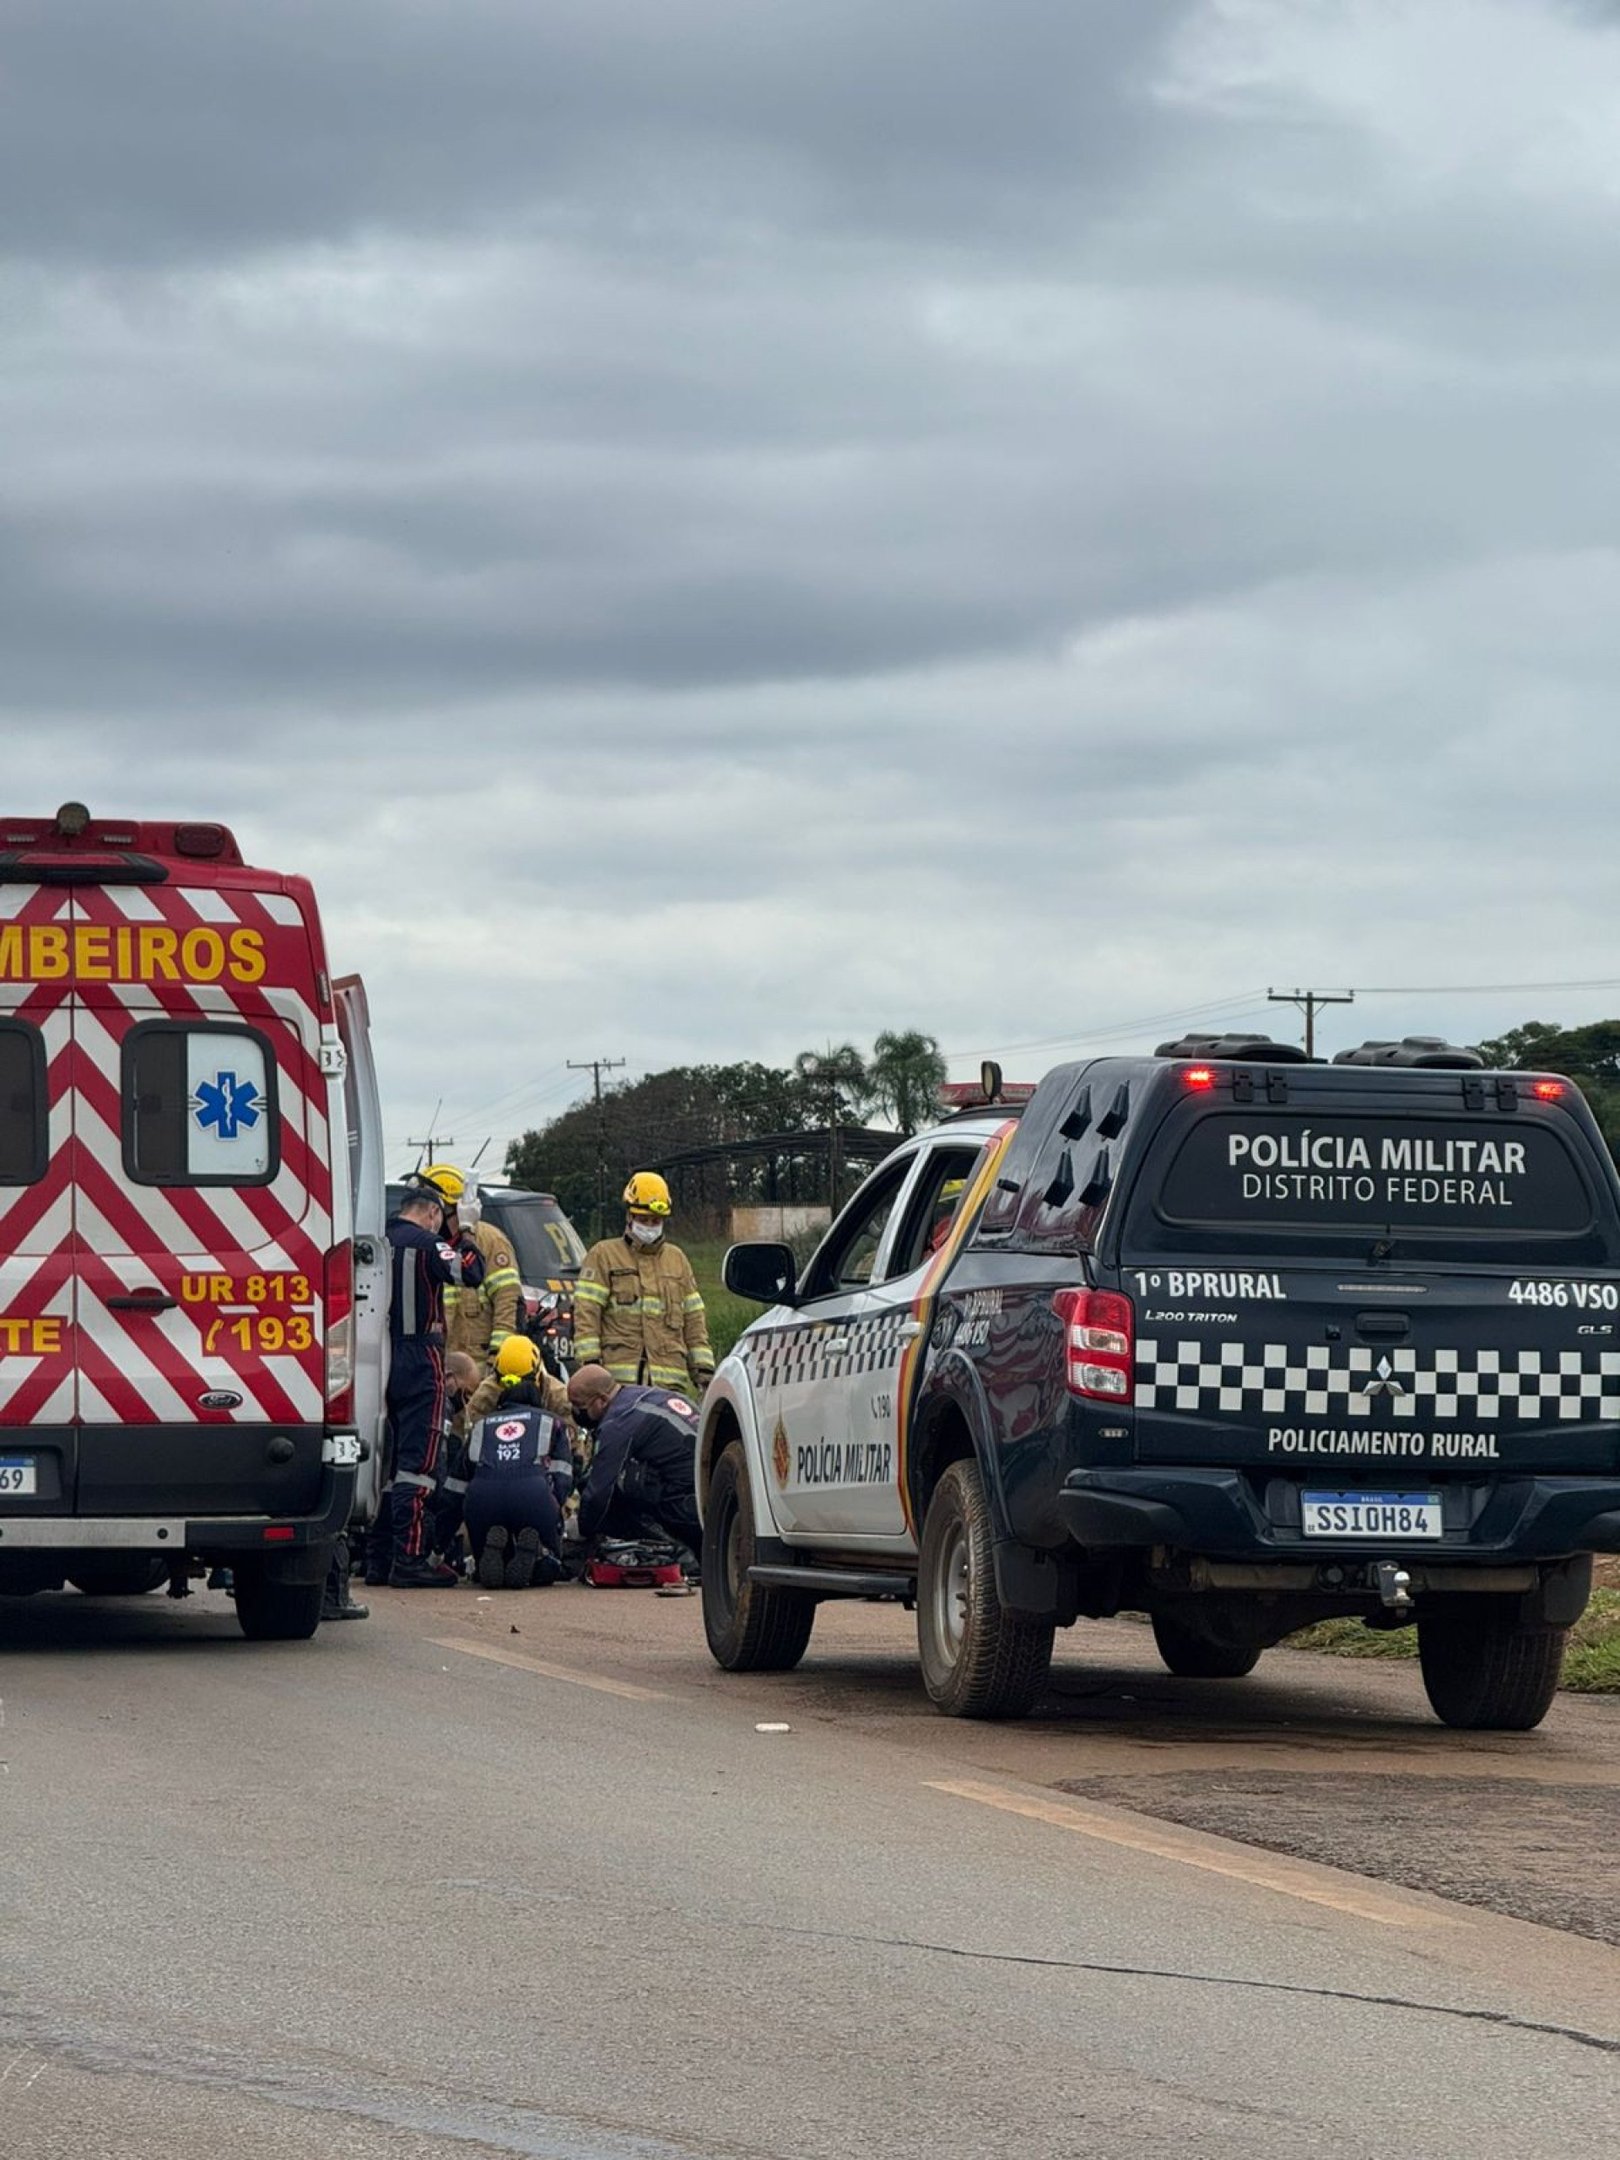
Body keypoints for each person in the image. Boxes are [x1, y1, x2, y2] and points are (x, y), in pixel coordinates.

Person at [367, 1177, 486, 1588]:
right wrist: (467, 1230)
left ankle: (378, 1559)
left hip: (378, 1358)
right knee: (418, 1465)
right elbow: (472, 1271)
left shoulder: (375, 1239)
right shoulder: (427, 1243)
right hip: (420, 1358)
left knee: (386, 1463)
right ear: (433, 1212)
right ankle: (410, 1558)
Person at [572, 1172, 714, 1400]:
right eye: (643, 1219)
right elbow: (586, 1315)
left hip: (669, 1388)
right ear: (629, 1216)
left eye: (655, 1221)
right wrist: (592, 1370)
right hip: (619, 1388)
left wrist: (705, 1374)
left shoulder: (677, 1260)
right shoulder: (604, 1255)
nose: (649, 1226)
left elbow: (695, 1322)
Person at [463, 1338, 575, 1589]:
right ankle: (539, 1555)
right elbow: (566, 1466)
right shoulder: (554, 1409)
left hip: (484, 1495)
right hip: (536, 1490)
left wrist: (443, 1541)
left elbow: (467, 1459)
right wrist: (558, 1508)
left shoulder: (556, 1396)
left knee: (485, 1562)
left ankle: (490, 1557)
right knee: (552, 1565)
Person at [567, 1364, 702, 1561]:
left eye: (580, 1407)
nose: (576, 1413)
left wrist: (583, 1530)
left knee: (614, 1484)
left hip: (686, 1504)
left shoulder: (618, 1422)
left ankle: (674, 1550)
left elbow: (598, 1492)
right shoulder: (643, 1395)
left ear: (602, 1401)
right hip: (707, 1489)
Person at [417, 1164, 523, 1371]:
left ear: (455, 1211)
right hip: (440, 1367)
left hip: (480, 1366)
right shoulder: (429, 1245)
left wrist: (497, 1361)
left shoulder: (490, 1242)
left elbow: (507, 1305)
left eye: (435, 1213)